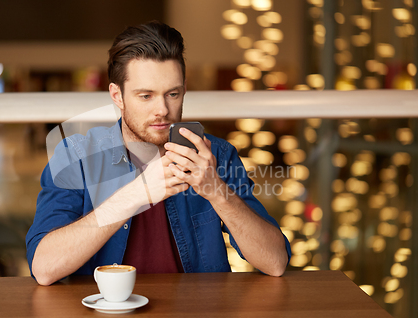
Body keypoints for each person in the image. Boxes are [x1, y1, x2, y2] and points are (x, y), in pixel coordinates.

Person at [26, 21, 291, 286]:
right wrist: (137, 193)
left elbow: (275, 262)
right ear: (117, 95)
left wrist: (216, 191)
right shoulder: (76, 157)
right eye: (146, 96)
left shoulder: (216, 155)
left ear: (184, 90)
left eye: (172, 94)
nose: (162, 110)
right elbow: (45, 268)